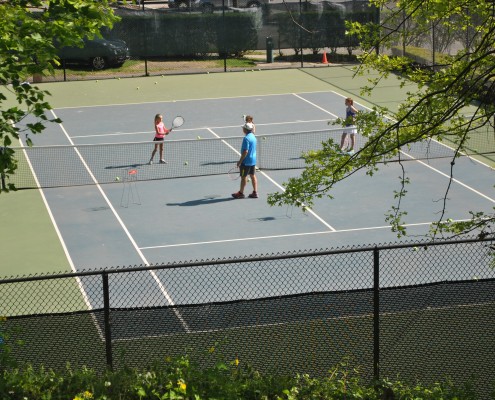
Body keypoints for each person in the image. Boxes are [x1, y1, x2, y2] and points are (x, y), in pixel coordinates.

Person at [232, 116, 258, 199]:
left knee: (243, 177)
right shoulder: (253, 136)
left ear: (245, 130)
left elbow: (245, 151)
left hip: (246, 162)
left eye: (243, 128)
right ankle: (255, 192)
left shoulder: (246, 139)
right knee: (252, 175)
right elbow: (253, 128)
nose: (242, 129)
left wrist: (239, 162)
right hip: (253, 161)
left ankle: (241, 193)